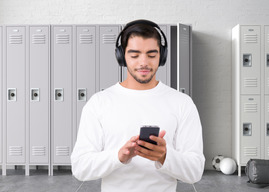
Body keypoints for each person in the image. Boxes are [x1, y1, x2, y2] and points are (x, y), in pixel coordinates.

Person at [71, 19, 205, 192]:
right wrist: (118, 156)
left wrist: (165, 156)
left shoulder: (182, 103)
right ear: (121, 56)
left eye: (151, 55)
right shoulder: (99, 103)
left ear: (162, 56)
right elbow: (80, 168)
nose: (143, 63)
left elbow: (195, 172)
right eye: (134, 55)